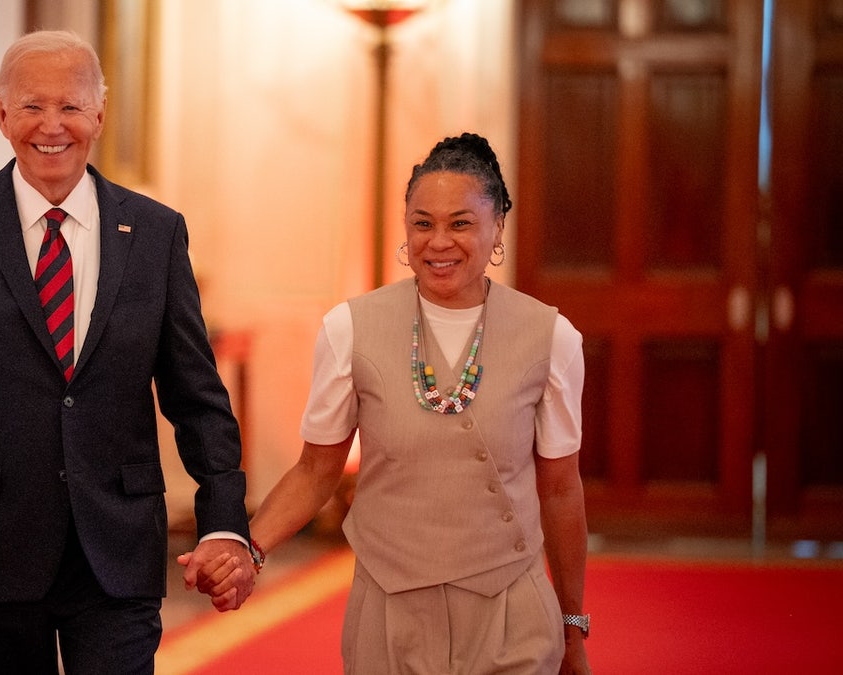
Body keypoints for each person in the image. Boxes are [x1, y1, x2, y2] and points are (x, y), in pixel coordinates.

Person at [0, 30, 256, 675]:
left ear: (99, 114)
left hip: (118, 552)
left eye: (71, 107)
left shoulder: (157, 233)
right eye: (31, 107)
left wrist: (223, 522)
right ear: (1, 115)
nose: (53, 126)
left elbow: (198, 399)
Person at [189, 133, 592, 674]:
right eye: (423, 223)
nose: (438, 241)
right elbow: (315, 472)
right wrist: (247, 551)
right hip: (389, 615)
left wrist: (572, 629)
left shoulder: (552, 337)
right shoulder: (350, 328)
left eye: (461, 223)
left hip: (511, 613)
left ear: (497, 228)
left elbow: (561, 488)